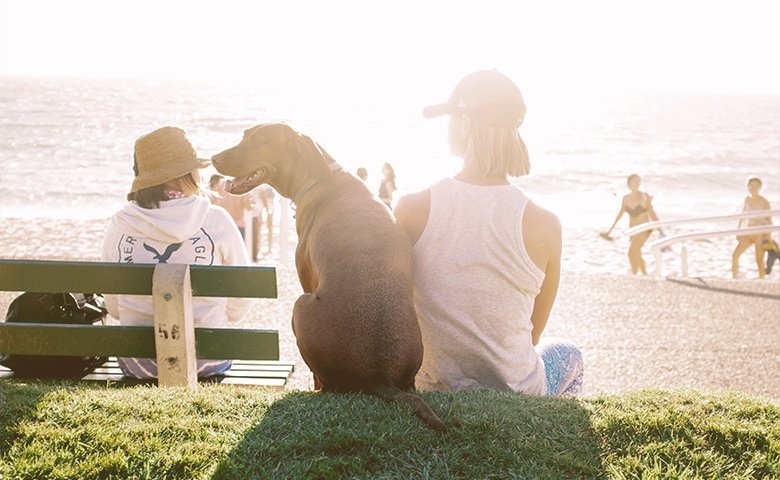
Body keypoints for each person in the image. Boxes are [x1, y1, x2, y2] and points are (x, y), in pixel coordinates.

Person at [394, 70, 583, 396]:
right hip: (517, 391)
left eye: (452, 118)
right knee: (570, 354)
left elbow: (397, 308)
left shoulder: (412, 209)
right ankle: (551, 432)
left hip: (433, 387)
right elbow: (532, 335)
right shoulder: (545, 225)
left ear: (465, 124)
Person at [101, 126, 253, 379]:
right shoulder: (216, 219)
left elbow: (114, 308)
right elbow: (243, 297)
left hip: (139, 362)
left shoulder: (120, 223)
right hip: (208, 358)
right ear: (189, 173)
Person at [600, 174, 660, 275]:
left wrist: (660, 229)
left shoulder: (644, 196)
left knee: (632, 251)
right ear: (628, 183)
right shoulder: (625, 198)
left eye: (638, 181)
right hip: (633, 229)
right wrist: (610, 230)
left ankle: (639, 273)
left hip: (645, 228)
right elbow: (620, 215)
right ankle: (640, 273)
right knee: (636, 252)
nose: (636, 183)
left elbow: (652, 212)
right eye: (634, 181)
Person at [732, 176, 772, 279]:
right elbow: (742, 216)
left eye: (756, 185)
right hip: (748, 233)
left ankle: (762, 280)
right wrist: (738, 231)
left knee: (759, 259)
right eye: (751, 185)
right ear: (748, 187)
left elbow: (769, 220)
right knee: (735, 255)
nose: (753, 188)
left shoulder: (764, 201)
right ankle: (734, 279)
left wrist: (768, 235)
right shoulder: (747, 199)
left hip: (759, 233)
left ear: (760, 187)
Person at [250, 183, 275, 261]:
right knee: (265, 226)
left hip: (263, 198)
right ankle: (266, 247)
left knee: (265, 226)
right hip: (263, 199)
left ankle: (267, 247)